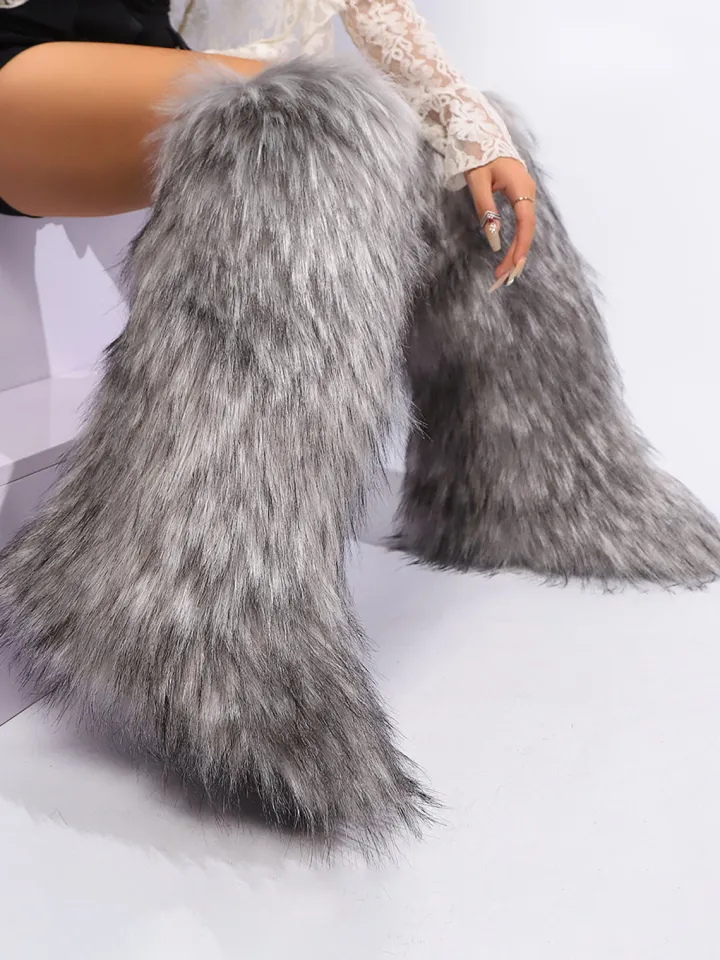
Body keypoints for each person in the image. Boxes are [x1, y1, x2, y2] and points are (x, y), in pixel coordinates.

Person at [0, 0, 536, 287]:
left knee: (440, 158)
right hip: (20, 43)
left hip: (132, 47)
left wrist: (474, 130)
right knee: (306, 113)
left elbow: (371, 6)